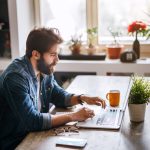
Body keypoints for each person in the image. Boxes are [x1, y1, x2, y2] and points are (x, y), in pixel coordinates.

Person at [0, 28, 106, 150]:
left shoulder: (44, 69)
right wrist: (74, 116)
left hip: (36, 136)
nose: (57, 60)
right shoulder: (15, 77)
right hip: (15, 143)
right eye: (52, 55)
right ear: (36, 54)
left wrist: (82, 98)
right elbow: (32, 121)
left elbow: (57, 94)